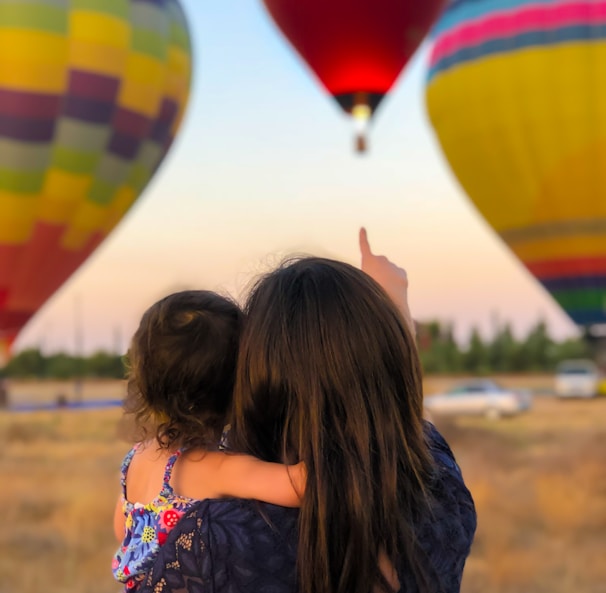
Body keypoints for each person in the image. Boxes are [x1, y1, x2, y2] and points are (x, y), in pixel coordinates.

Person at [138, 229, 477, 593]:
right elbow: (398, 415)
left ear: (258, 384)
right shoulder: (442, 494)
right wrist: (387, 310)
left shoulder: (214, 541)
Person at [112, 290, 305, 591]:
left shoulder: (136, 458)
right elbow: (300, 485)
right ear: (242, 381)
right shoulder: (216, 467)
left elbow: (123, 530)